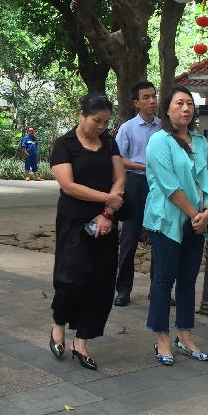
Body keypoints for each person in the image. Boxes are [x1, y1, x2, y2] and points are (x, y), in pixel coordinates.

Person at [48, 93, 125, 370]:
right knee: (71, 279)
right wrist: (107, 199)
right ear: (81, 116)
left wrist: (107, 213)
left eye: (105, 122)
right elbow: (68, 186)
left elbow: (120, 177)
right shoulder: (64, 144)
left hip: (106, 222)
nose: (101, 127)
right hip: (74, 222)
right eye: (96, 120)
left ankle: (81, 341)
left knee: (101, 283)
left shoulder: (109, 142)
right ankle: (59, 323)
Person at [144, 86, 208, 366]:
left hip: (197, 222)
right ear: (167, 109)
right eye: (179, 103)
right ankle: (161, 336)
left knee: (188, 279)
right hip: (167, 221)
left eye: (190, 104)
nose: (186, 109)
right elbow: (169, 185)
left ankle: (184, 334)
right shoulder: (159, 141)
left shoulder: (201, 142)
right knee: (163, 281)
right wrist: (197, 215)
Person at [113, 80, 160, 307]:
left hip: (158, 186)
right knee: (129, 239)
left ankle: (157, 289)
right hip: (134, 184)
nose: (152, 101)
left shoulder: (163, 127)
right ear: (136, 103)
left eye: (154, 96)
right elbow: (118, 158)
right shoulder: (128, 128)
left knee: (158, 238)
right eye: (146, 97)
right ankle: (123, 290)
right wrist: (143, 167)